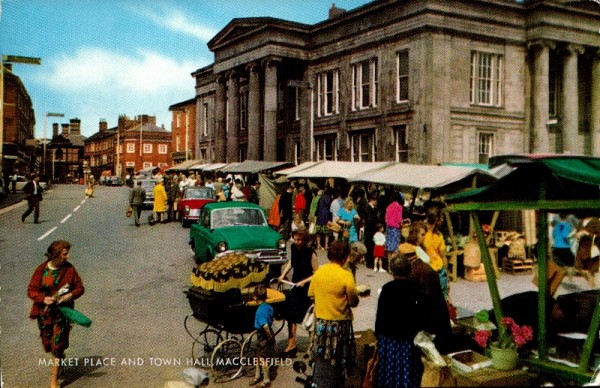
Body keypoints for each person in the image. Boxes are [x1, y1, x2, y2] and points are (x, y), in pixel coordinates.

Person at [27, 240, 85, 388]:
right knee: (48, 344)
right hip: (44, 314)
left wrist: (69, 296)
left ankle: (53, 380)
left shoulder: (69, 270)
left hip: (62, 314)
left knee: (57, 344)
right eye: (65, 254)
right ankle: (59, 357)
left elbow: (79, 288)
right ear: (55, 255)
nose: (68, 257)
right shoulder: (41, 270)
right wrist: (43, 299)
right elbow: (31, 290)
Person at [308, 241, 360, 388]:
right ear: (345, 257)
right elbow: (354, 302)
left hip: (322, 324)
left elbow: (311, 294)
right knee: (338, 359)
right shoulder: (346, 275)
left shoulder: (319, 272)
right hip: (340, 324)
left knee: (323, 358)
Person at [375, 252, 429, 388]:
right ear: (409, 270)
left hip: (389, 340)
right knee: (408, 375)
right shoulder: (416, 289)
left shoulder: (386, 289)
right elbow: (421, 315)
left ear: (392, 271)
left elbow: (380, 316)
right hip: (408, 341)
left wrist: (378, 336)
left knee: (389, 375)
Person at [398, 242, 453, 354]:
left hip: (430, 323)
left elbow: (419, 301)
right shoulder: (422, 267)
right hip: (436, 318)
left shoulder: (414, 272)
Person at [278, 225, 319, 357]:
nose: (297, 242)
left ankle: (311, 346)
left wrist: (304, 282)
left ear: (305, 240)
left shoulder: (311, 253)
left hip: (308, 288)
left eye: (300, 240)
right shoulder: (293, 248)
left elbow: (317, 274)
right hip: (295, 285)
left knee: (309, 318)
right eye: (295, 239)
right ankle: (291, 344)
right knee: (291, 315)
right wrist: (283, 274)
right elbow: (292, 262)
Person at [250, 285, 275, 388]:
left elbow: (264, 325)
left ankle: (266, 379)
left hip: (263, 335)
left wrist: (269, 336)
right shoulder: (269, 307)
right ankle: (257, 376)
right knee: (259, 356)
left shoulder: (259, 311)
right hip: (267, 333)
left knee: (262, 358)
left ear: (255, 297)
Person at [423, 205, 449, 301]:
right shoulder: (422, 233)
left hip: (439, 271)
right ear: (436, 219)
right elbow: (443, 257)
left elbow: (443, 257)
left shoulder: (438, 235)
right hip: (428, 272)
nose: (443, 220)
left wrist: (446, 275)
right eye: (442, 217)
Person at [363, 191, 379, 269]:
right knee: (370, 246)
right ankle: (369, 262)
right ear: (371, 200)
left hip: (370, 230)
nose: (376, 201)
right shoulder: (368, 208)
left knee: (370, 246)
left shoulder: (371, 208)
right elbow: (370, 220)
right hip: (370, 231)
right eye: (374, 199)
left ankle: (369, 261)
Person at [385, 192, 404, 256]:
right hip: (395, 229)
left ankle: (389, 264)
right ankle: (393, 264)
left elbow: (386, 218)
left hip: (389, 229)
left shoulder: (389, 207)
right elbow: (399, 219)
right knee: (395, 249)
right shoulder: (399, 207)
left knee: (389, 249)